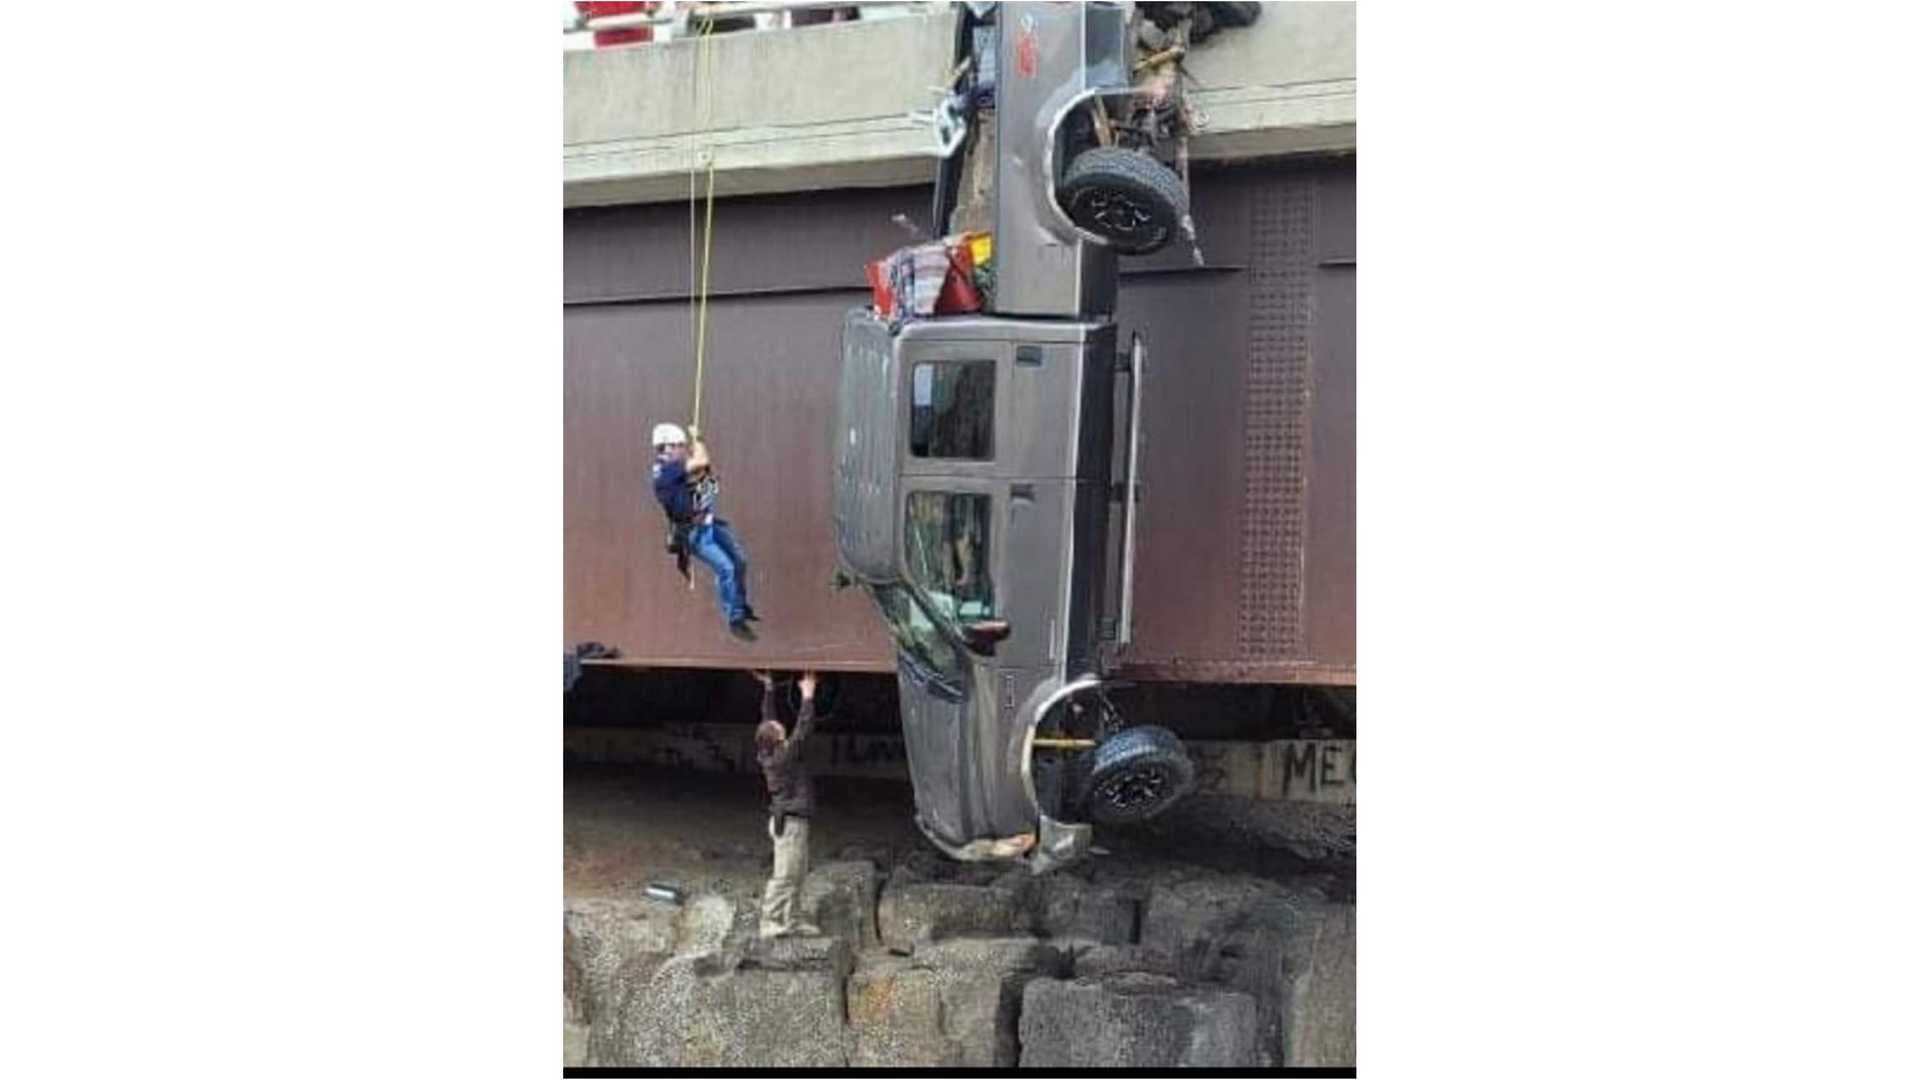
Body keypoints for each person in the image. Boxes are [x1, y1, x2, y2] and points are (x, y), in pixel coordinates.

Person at [650, 421, 758, 640]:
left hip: (707, 524)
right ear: (666, 448)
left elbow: (701, 466)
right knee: (726, 568)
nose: (683, 449)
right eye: (680, 445)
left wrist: (697, 444)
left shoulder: (675, 469)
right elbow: (702, 460)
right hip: (695, 535)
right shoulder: (666, 471)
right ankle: (735, 619)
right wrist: (697, 438)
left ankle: (740, 604)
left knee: (740, 561)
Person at [754, 669, 820, 939]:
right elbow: (803, 730)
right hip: (790, 823)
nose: (781, 725)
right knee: (785, 876)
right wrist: (808, 695)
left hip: (794, 821)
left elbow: (767, 720)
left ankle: (792, 921)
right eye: (779, 728)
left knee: (798, 875)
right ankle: (769, 921)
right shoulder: (783, 757)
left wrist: (770, 689)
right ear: (778, 738)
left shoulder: (769, 750)